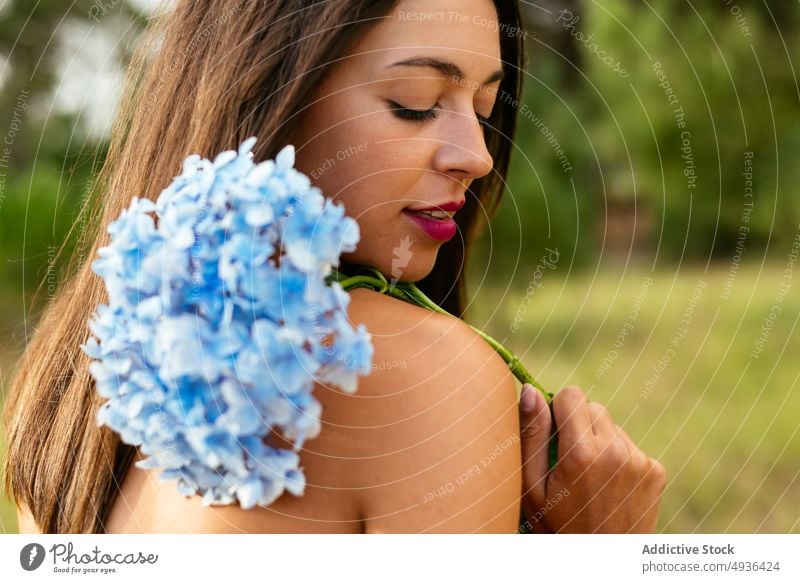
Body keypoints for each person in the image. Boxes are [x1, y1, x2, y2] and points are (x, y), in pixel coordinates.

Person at [4, 0, 665, 534]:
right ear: (269, 97)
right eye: (415, 100)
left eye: (485, 110)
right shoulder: (424, 377)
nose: (478, 155)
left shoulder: (65, 394)